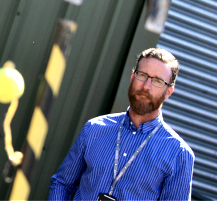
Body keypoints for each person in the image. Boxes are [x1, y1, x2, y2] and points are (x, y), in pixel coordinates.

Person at [49, 48, 194, 201]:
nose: (146, 86)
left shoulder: (179, 154)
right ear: (132, 77)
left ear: (168, 92)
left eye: (157, 81)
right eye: (142, 75)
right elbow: (61, 184)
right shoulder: (94, 129)